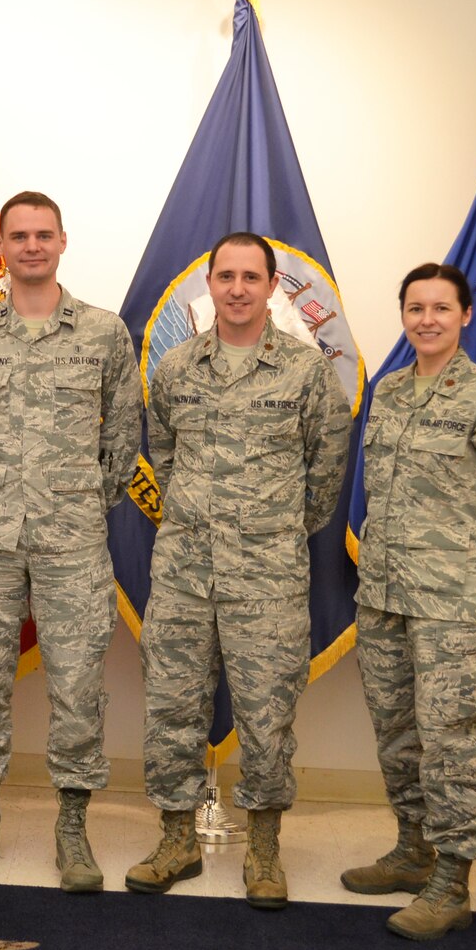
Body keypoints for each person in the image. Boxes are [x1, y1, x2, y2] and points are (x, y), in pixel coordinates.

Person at [128, 231, 351, 908]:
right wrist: (202, 520)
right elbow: (162, 456)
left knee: (266, 715)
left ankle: (263, 849)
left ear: (270, 286)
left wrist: (272, 529)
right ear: (211, 284)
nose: (237, 288)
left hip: (269, 575)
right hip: (185, 571)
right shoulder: (175, 368)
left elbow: (326, 474)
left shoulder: (307, 373)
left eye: (251, 277)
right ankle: (176, 840)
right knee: (173, 707)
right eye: (225, 275)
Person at [0, 191, 140, 893]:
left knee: (79, 687)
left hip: (74, 543)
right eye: (18, 235)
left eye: (42, 234)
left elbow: (123, 442)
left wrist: (76, 501)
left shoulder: (105, 334)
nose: (31, 245)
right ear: (0, 245)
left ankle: (72, 828)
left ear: (62, 241)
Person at [342, 263, 476, 940]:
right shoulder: (391, 392)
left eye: (440, 308)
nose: (426, 319)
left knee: (451, 742)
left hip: (452, 608)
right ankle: (413, 850)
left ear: (466, 315)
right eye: (415, 307)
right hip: (384, 600)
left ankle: (453, 879)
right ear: (402, 314)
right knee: (399, 736)